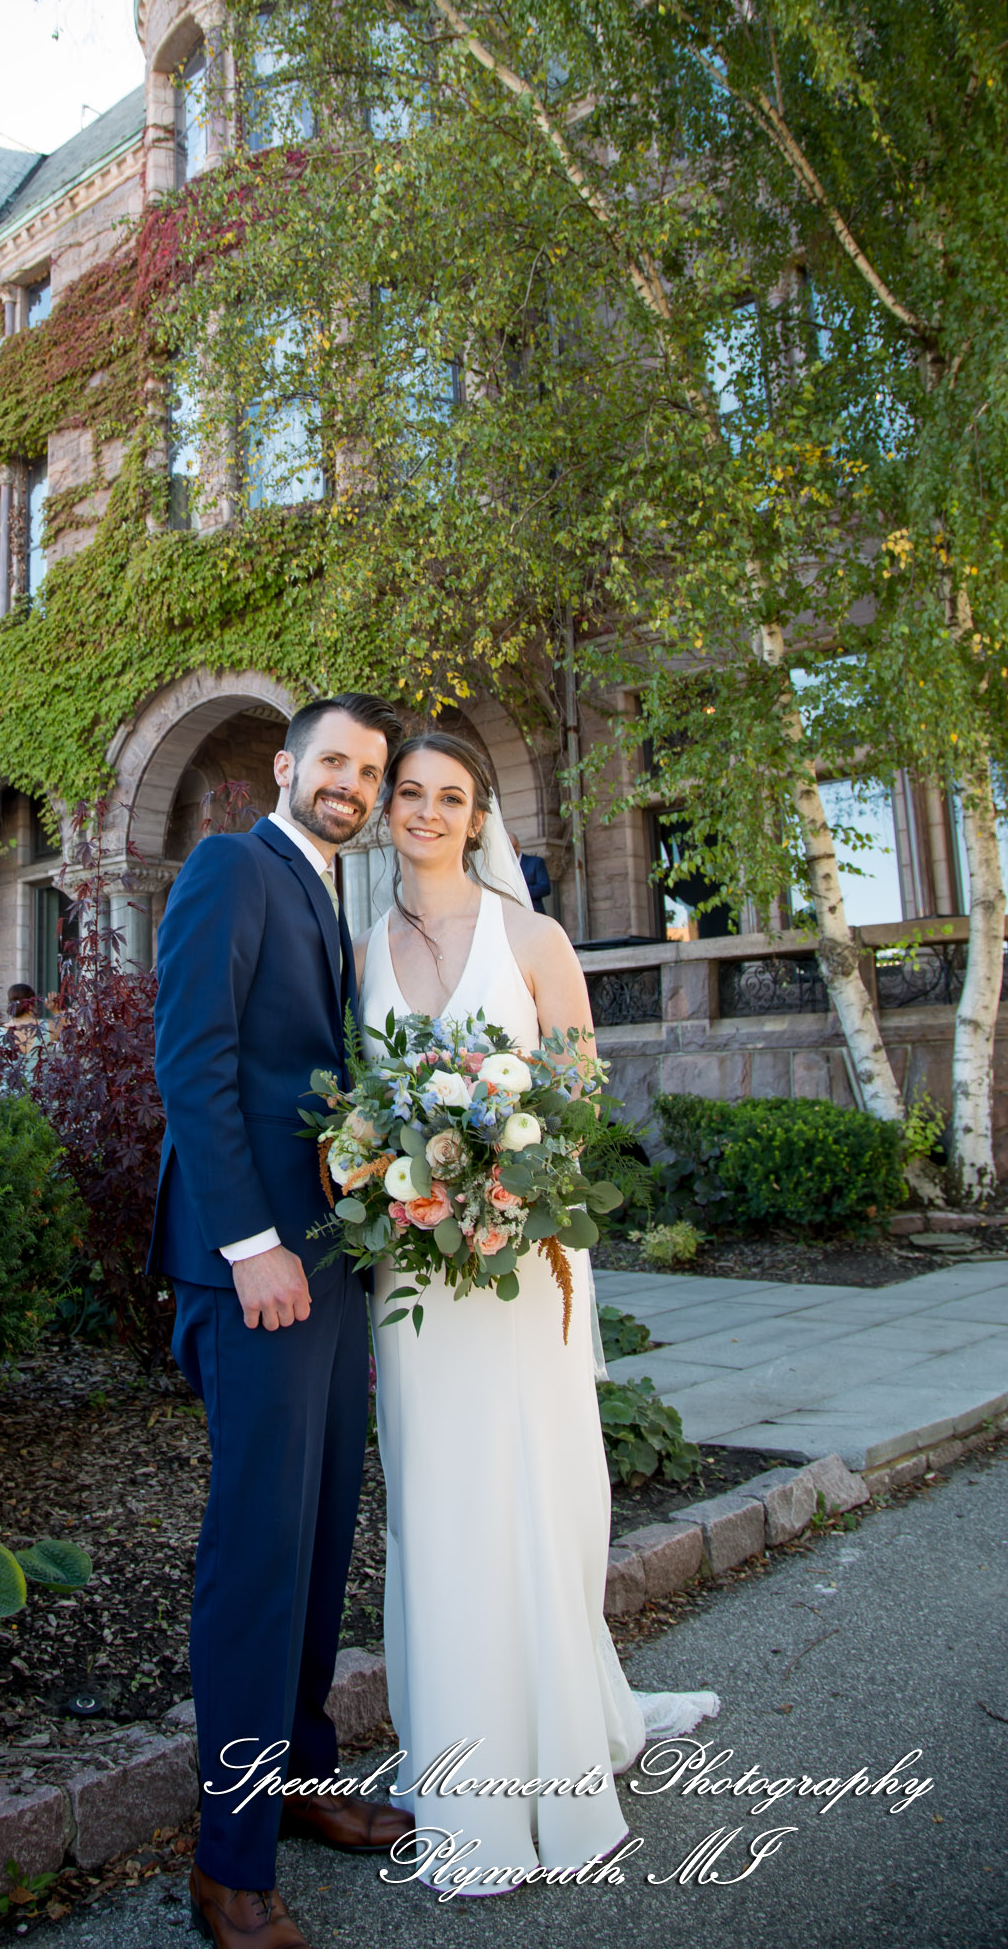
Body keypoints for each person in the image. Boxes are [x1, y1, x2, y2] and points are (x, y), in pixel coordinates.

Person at [357, 731, 718, 1893]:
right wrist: (391, 1180)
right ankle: (458, 1767)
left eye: (448, 796)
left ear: (479, 816)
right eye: (407, 792)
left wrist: (505, 1189)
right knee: (436, 1505)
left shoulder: (534, 937)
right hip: (414, 1281)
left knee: (529, 1495)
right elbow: (360, 1118)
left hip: (524, 1267)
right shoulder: (363, 947)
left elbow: (577, 1095)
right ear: (387, 810)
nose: (424, 811)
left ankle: (556, 1762)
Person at [150, 693, 414, 1949]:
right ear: (285, 766)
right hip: (251, 1265)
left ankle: (302, 1778)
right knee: (257, 1557)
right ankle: (228, 1865)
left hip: (330, 1263)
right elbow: (190, 1060)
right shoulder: (230, 866)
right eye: (336, 764)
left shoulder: (331, 893)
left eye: (371, 771)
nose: (353, 785)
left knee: (318, 1542)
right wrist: (252, 1246)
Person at [509, 829, 553, 914]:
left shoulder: (536, 862)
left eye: (509, 849)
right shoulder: (502, 867)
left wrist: (521, 892)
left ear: (517, 848)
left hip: (534, 913)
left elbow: (545, 887)